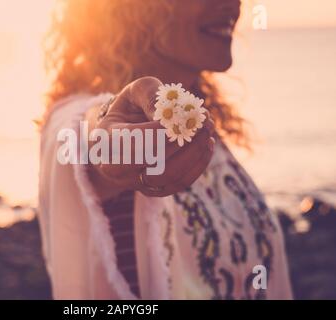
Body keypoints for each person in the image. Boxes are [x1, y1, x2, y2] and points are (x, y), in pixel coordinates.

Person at [38, 0, 292, 299]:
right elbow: (84, 135)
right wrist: (105, 140)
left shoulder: (197, 128)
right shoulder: (77, 119)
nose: (230, 3)